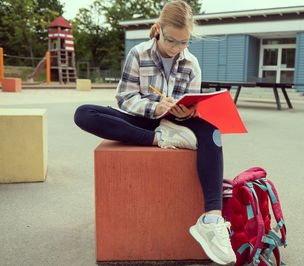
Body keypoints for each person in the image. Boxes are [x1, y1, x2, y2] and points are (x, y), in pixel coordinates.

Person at [74, 1, 235, 264]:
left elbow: (190, 101)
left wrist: (188, 112)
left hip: (176, 123)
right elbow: (124, 98)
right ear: (158, 30)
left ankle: (211, 219)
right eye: (171, 40)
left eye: (184, 42)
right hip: (141, 120)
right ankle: (157, 140)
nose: (177, 48)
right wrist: (154, 106)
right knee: (84, 113)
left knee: (213, 132)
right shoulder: (138, 54)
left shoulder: (191, 62)